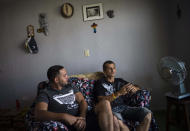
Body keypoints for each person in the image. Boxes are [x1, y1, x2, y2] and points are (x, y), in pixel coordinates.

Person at [94, 60, 152, 131]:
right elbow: (101, 100)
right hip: (112, 110)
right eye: (110, 68)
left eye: (114, 68)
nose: (113, 70)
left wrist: (135, 88)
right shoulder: (100, 83)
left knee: (147, 114)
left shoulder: (119, 81)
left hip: (124, 108)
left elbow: (136, 86)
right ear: (104, 71)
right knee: (119, 122)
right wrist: (118, 93)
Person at [34, 65, 88, 131]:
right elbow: (39, 113)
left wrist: (82, 117)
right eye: (64, 75)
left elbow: (82, 101)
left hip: (81, 119)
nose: (67, 77)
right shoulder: (45, 93)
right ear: (56, 80)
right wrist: (64, 116)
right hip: (64, 125)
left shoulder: (70, 86)